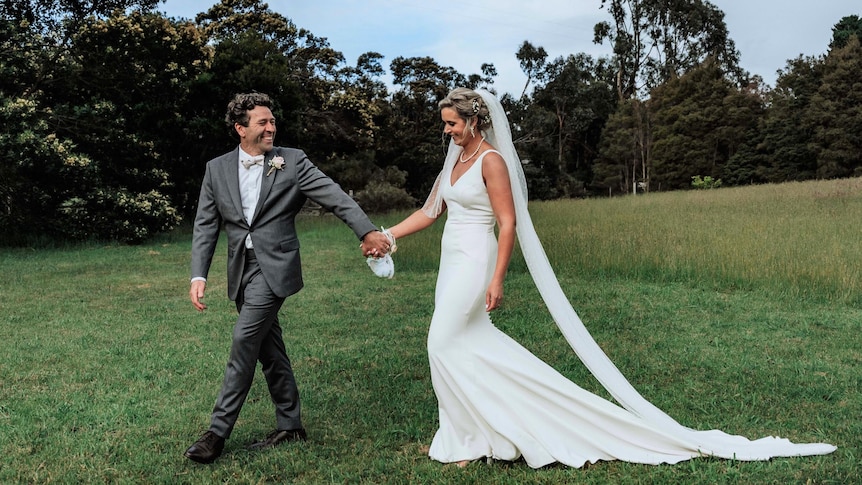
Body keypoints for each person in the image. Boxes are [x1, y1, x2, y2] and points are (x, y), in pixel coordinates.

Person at [383, 87, 836, 469]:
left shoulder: (491, 161)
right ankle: (475, 434)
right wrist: (385, 235)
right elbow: (429, 211)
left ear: (475, 121)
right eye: (445, 125)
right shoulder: (455, 161)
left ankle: (473, 436)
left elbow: (508, 223)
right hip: (450, 259)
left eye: (452, 124)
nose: (447, 131)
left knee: (440, 342)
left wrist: (497, 278)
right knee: (464, 344)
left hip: (478, 258)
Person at [184, 92, 391, 464]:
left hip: (274, 267)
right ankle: (291, 424)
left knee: (244, 339)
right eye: (262, 122)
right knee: (269, 349)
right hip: (239, 270)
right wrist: (198, 274)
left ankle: (216, 433)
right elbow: (204, 224)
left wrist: (366, 232)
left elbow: (335, 197)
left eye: (272, 121)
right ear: (240, 128)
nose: (271, 127)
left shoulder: (291, 161)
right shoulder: (216, 169)